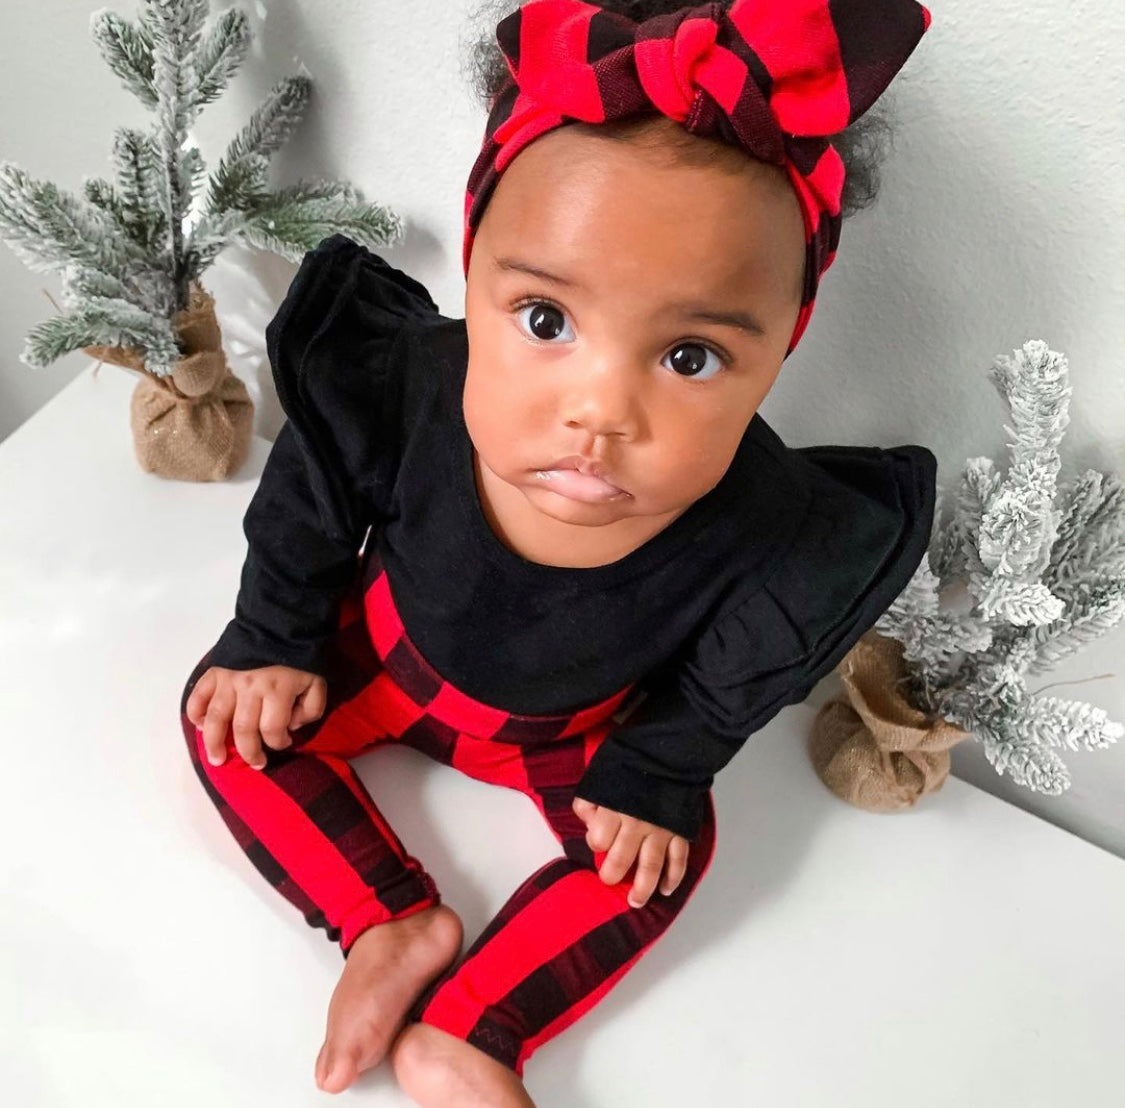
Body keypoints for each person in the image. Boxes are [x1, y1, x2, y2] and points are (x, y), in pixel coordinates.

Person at [180, 1, 937, 1104]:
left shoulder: (771, 521)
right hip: (383, 664)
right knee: (224, 718)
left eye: (689, 354)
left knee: (657, 864)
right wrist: (274, 637)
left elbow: (729, 677)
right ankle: (385, 919)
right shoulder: (404, 383)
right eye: (545, 320)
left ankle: (474, 1031)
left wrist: (661, 770)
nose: (601, 411)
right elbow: (307, 500)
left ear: (783, 346)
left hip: (580, 737)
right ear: (478, 275)